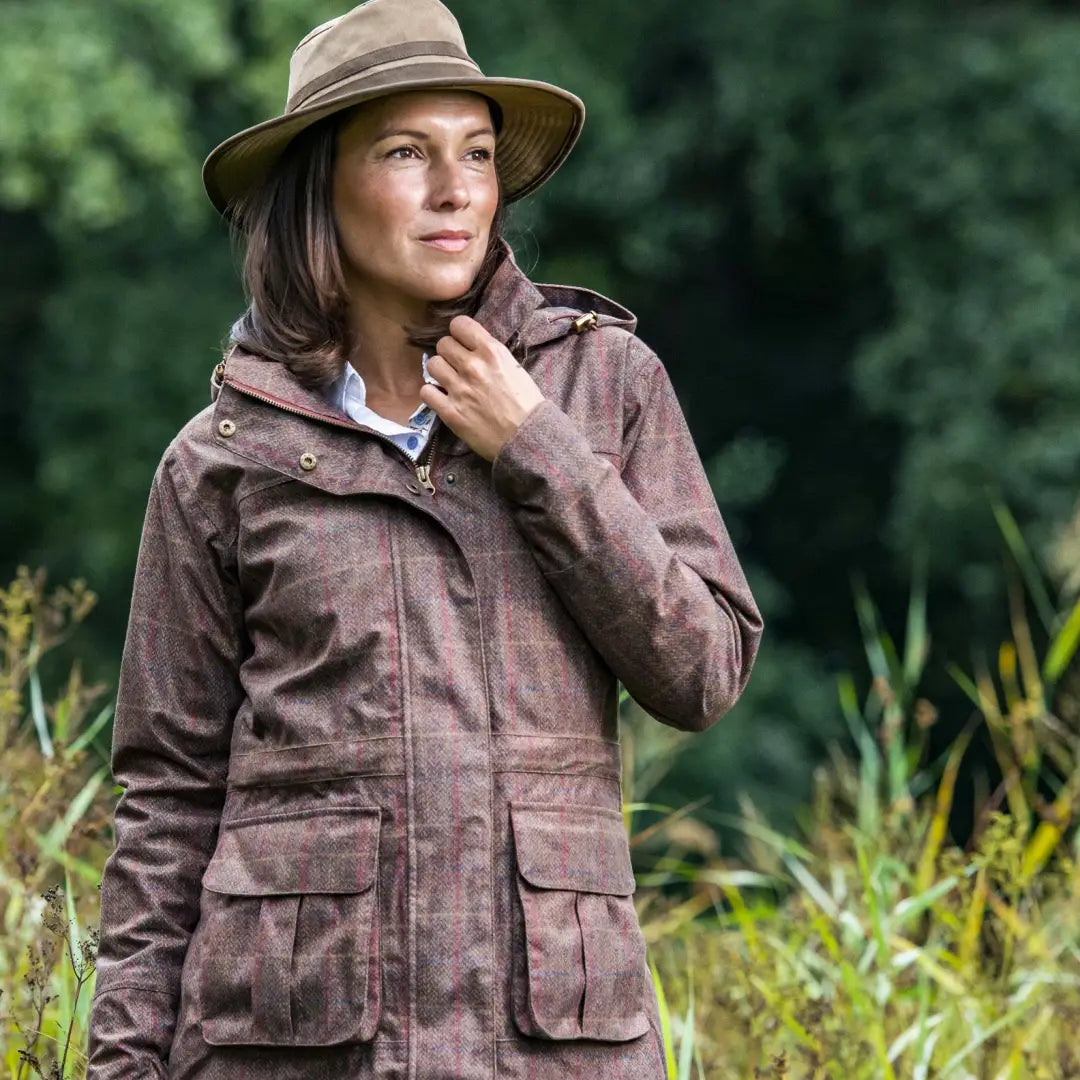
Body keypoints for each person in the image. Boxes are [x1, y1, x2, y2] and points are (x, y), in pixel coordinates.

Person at [85, 0, 763, 1077]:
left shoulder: (607, 390)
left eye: (477, 155)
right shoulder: (219, 460)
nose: (456, 191)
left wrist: (537, 449)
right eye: (408, 153)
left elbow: (702, 669)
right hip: (290, 1052)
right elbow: (166, 803)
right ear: (320, 184)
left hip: (548, 1055)